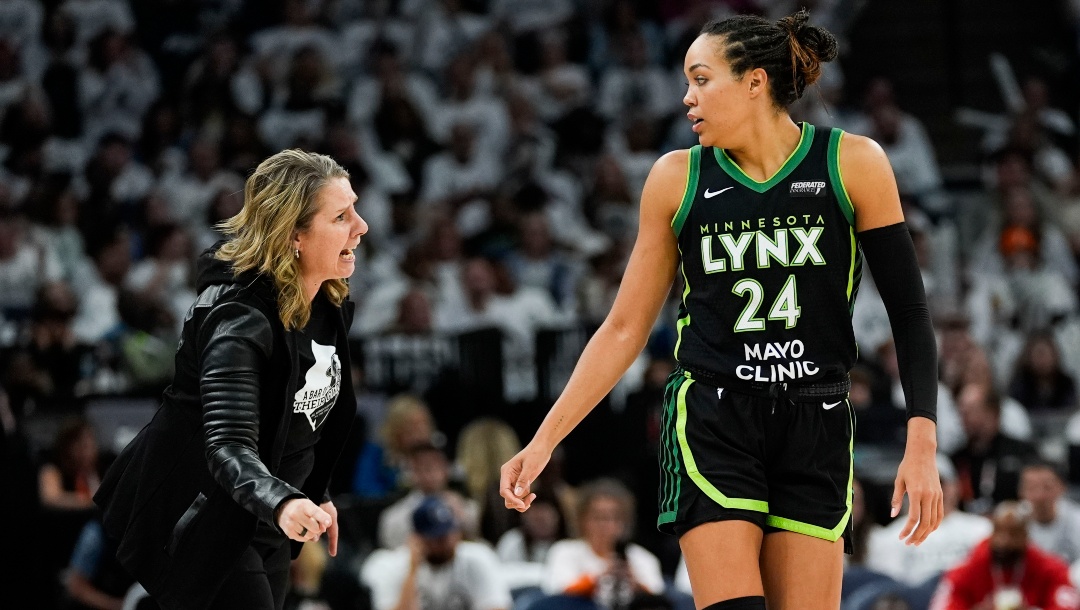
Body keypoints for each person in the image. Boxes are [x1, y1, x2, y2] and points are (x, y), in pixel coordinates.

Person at [500, 9, 943, 610]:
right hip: (715, 416)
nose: (686, 98)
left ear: (755, 82)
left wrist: (922, 443)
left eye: (701, 79)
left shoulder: (852, 162)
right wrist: (544, 441)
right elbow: (625, 326)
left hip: (816, 418)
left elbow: (910, 313)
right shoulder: (676, 178)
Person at [92, 149, 369, 610]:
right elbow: (227, 446)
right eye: (341, 216)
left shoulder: (328, 303)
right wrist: (282, 501)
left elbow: (297, 417)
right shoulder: (239, 318)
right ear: (293, 235)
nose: (361, 226)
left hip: (268, 517)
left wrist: (313, 490)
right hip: (206, 514)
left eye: (354, 208)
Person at [360, 494, 513, 610]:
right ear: (417, 538)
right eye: (436, 537)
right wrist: (412, 570)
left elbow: (497, 606)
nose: (445, 542)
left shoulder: (478, 557)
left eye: (449, 533)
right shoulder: (394, 566)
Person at [930, 501, 1080, 610]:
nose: (1004, 541)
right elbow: (943, 605)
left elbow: (1067, 604)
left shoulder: (1051, 569)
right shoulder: (969, 567)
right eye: (999, 532)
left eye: (1013, 534)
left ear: (1026, 536)